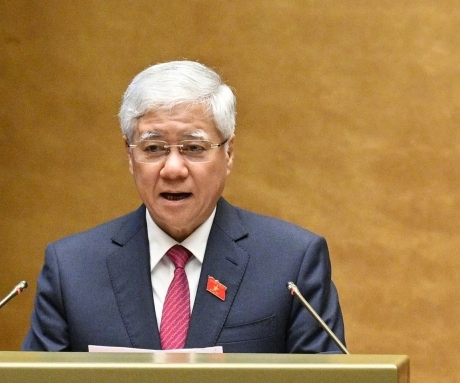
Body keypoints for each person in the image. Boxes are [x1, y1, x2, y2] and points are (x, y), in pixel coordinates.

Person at [22, 60, 345, 353]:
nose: (173, 169)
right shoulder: (72, 269)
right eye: (153, 148)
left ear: (228, 152)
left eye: (193, 147)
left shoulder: (291, 262)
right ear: (130, 156)